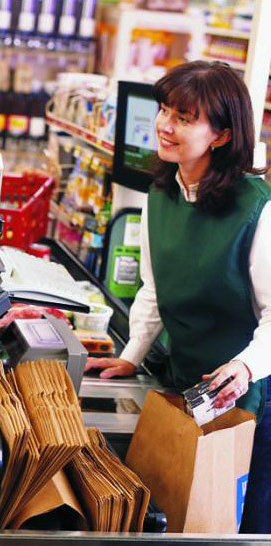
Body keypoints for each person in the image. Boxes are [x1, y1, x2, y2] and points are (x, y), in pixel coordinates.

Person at [83, 61, 270, 533]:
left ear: (222, 136)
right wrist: (130, 356)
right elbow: (153, 287)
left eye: (185, 118)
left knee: (236, 526)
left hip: (251, 401)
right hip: (188, 386)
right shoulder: (160, 194)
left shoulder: (257, 209)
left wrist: (243, 368)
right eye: (164, 109)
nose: (165, 125)